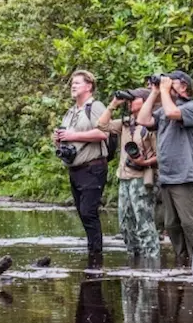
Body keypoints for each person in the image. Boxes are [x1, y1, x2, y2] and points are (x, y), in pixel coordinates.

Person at [138, 71, 193, 267]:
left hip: (185, 177)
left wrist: (164, 90)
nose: (167, 84)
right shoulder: (163, 110)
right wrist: (154, 92)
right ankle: (182, 264)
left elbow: (172, 113)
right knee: (172, 226)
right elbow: (143, 120)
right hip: (167, 178)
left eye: (172, 82)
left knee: (191, 225)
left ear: (184, 86)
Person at [97, 89, 160, 262]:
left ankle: (152, 263)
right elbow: (102, 125)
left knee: (144, 224)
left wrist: (144, 162)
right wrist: (114, 104)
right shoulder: (127, 123)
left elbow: (162, 154)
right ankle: (135, 261)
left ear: (146, 101)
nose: (130, 101)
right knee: (125, 225)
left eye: (135, 98)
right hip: (124, 178)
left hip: (142, 178)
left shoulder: (151, 125)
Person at [54, 70, 109, 263]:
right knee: (82, 213)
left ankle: (96, 256)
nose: (73, 86)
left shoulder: (95, 107)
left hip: (93, 167)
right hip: (75, 169)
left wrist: (72, 136)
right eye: (72, 84)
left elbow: (104, 133)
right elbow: (66, 139)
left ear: (89, 86)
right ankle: (92, 253)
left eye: (78, 83)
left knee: (88, 212)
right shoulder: (71, 112)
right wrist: (59, 140)